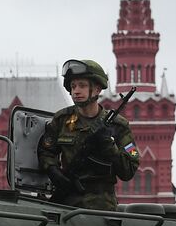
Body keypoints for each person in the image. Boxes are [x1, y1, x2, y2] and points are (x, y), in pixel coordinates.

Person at [37, 59, 139, 211]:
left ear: (97, 89)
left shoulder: (118, 126)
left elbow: (129, 170)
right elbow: (46, 151)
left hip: (103, 208)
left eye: (82, 86)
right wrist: (54, 172)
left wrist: (108, 146)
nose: (76, 91)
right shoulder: (62, 120)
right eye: (73, 86)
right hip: (67, 203)